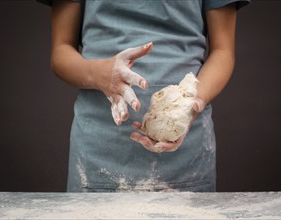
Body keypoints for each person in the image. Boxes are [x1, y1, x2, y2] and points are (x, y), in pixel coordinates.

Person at [38, 0, 250, 192]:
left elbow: (223, 51)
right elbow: (61, 50)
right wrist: (99, 74)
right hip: (99, 152)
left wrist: (192, 104)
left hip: (185, 156)